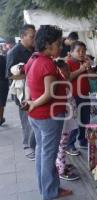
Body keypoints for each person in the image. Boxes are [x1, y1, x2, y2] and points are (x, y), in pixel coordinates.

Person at [24, 25, 72, 199]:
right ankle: (49, 193)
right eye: (58, 44)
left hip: (37, 117)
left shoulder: (33, 58)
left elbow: (28, 83)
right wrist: (33, 103)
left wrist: (28, 101)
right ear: (47, 44)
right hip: (48, 116)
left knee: (41, 153)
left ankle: (48, 188)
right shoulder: (47, 64)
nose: (60, 47)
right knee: (48, 156)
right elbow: (49, 93)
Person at [6, 24, 36, 160]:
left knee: (34, 119)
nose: (34, 38)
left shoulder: (34, 49)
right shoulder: (14, 52)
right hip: (22, 92)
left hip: (34, 89)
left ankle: (34, 144)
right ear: (23, 36)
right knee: (26, 120)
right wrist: (29, 75)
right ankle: (27, 147)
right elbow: (9, 75)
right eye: (31, 36)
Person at [65, 41, 91, 156]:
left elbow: (92, 76)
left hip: (85, 95)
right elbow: (68, 77)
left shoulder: (84, 62)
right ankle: (70, 145)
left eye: (83, 51)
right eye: (78, 51)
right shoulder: (68, 63)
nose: (81, 53)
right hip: (73, 97)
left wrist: (88, 67)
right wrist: (81, 69)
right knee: (74, 122)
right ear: (71, 52)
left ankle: (83, 140)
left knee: (85, 120)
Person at [0, 55, 8, 125]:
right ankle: (0, 118)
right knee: (1, 102)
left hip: (3, 81)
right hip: (3, 82)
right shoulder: (3, 58)